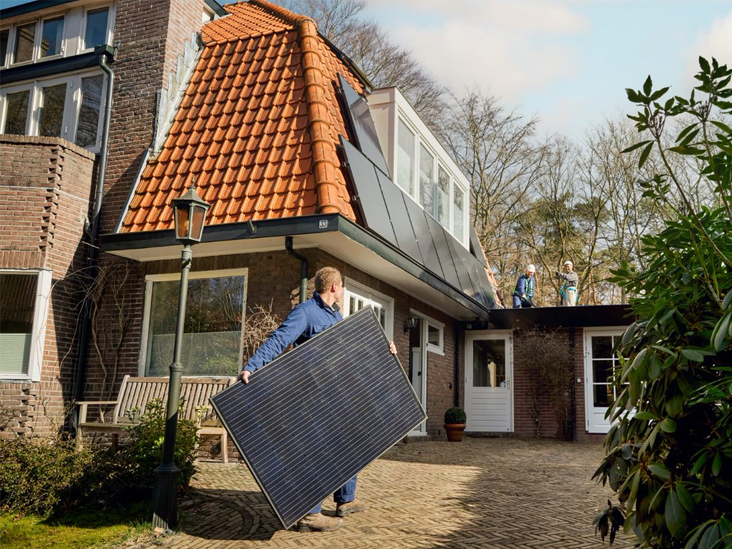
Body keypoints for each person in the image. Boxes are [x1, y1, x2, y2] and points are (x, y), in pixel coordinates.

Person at [239, 266, 396, 533]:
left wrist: (384, 349)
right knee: (314, 453)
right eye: (343, 286)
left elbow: (349, 353)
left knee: (348, 442)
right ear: (335, 287)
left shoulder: (336, 317)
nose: (344, 291)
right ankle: (310, 515)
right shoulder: (305, 313)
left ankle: (345, 500)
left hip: (334, 396)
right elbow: (280, 339)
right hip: (311, 399)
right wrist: (252, 366)